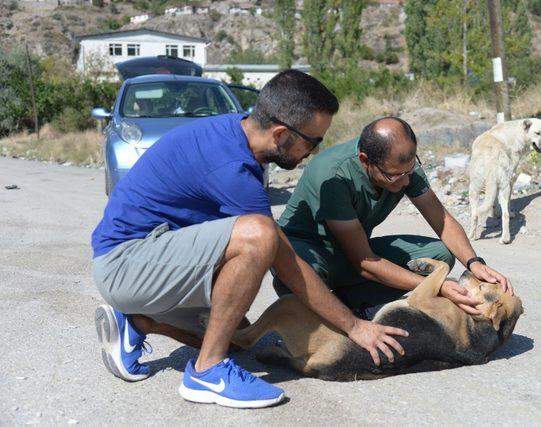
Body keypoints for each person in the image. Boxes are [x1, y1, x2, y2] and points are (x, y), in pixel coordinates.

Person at [91, 70, 408, 409]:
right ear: (282, 134)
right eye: (313, 141)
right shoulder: (231, 166)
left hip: (153, 259)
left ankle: (138, 320)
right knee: (259, 235)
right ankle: (206, 372)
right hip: (125, 265)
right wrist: (355, 326)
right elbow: (287, 264)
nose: (314, 151)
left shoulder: (239, 134)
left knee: (239, 339)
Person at [274, 116, 514, 321]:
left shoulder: (401, 165)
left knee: (440, 255)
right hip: (310, 251)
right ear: (365, 161)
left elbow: (442, 220)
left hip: (352, 252)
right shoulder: (334, 174)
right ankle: (311, 305)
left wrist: (474, 263)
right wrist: (436, 286)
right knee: (302, 274)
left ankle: (347, 303)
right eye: (395, 176)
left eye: (410, 171)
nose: (406, 181)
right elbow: (364, 262)